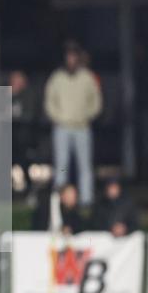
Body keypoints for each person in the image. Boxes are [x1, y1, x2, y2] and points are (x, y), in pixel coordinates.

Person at [44, 41, 102, 207]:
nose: (71, 59)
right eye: (68, 56)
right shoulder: (57, 78)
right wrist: (58, 117)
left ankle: (85, 200)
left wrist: (87, 116)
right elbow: (50, 102)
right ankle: (59, 199)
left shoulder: (87, 78)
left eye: (73, 56)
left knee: (85, 165)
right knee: (61, 165)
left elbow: (96, 101)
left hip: (82, 127)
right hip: (62, 127)